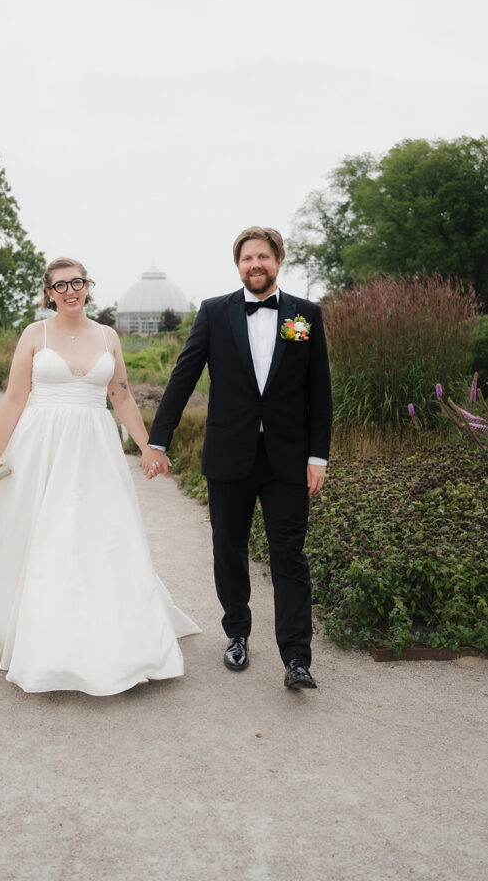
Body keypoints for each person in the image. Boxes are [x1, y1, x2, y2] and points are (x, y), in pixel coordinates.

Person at [0, 257, 199, 696]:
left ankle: (110, 631)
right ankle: (27, 628)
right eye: (61, 285)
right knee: (33, 531)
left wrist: (147, 446)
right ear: (49, 292)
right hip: (40, 444)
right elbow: (15, 399)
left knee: (98, 532)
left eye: (78, 282)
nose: (71, 290)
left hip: (94, 447)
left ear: (89, 287)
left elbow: (121, 395)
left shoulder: (108, 336)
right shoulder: (36, 334)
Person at [142, 227, 331, 689]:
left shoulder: (306, 315)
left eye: (263, 257)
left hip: (288, 459)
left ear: (279, 261)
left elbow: (319, 392)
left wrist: (318, 456)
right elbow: (183, 376)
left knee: (289, 555)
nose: (255, 265)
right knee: (229, 550)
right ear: (238, 264)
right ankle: (238, 635)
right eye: (248, 258)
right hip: (229, 456)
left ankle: (297, 658)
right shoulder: (214, 313)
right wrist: (158, 441)